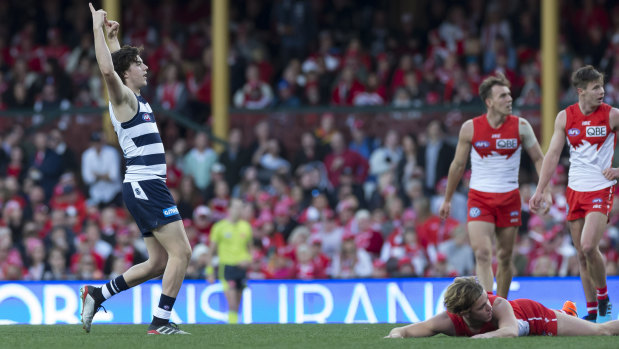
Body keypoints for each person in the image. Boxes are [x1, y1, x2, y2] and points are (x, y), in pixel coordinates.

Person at [81, 4, 192, 335]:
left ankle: (97, 293)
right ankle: (159, 323)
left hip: (146, 184)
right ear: (128, 74)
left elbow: (117, 64)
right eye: (140, 64)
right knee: (182, 252)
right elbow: (107, 71)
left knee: (158, 263)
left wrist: (114, 39)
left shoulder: (135, 99)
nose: (146, 67)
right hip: (146, 183)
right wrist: (97, 29)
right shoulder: (124, 101)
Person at [439, 73, 551, 298]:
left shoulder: (521, 126)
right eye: (502, 96)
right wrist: (448, 199)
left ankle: (501, 302)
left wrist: (544, 191)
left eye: (509, 95)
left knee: (505, 257)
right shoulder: (470, 128)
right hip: (480, 197)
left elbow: (540, 158)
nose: (509, 99)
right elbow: (458, 165)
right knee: (481, 253)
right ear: (489, 102)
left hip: (509, 198)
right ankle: (487, 304)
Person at [530, 65, 616, 322]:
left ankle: (603, 296)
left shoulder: (612, 116)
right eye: (595, 88)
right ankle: (591, 312)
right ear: (581, 91)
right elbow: (553, 155)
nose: (601, 92)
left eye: (602, 86)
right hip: (574, 189)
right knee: (580, 253)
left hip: (600, 188)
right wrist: (540, 188)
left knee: (590, 246)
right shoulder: (565, 117)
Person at [385, 276, 619, 338]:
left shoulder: (498, 304)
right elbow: (404, 331)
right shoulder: (448, 322)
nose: (489, 307)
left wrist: (480, 339)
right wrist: (395, 336)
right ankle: (567, 313)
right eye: (481, 306)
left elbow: (510, 331)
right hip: (522, 321)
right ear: (465, 312)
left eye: (486, 300)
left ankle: (564, 314)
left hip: (533, 316)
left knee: (603, 331)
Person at [204, 198, 253, 324]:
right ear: (229, 209)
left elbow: (250, 250)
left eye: (240, 207)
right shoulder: (219, 227)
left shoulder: (246, 227)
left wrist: (248, 260)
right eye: (236, 207)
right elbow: (211, 251)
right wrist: (209, 271)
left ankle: (235, 327)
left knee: (237, 304)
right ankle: (232, 329)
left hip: (242, 269)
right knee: (231, 303)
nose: (238, 210)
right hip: (227, 268)